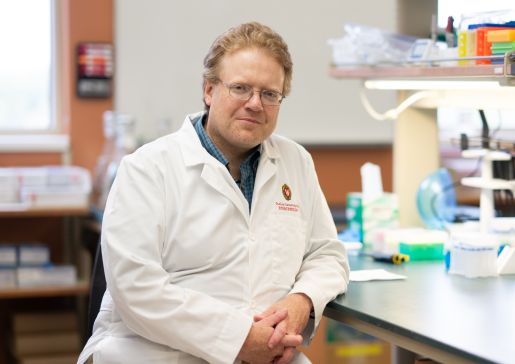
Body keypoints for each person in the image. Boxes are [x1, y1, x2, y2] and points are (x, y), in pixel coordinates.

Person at [78, 22, 349, 364]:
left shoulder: (296, 162)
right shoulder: (146, 169)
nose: (255, 104)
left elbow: (328, 255)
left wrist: (302, 301)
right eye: (240, 88)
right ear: (209, 90)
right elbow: (136, 289)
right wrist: (238, 338)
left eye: (270, 94)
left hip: (268, 353)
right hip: (152, 353)